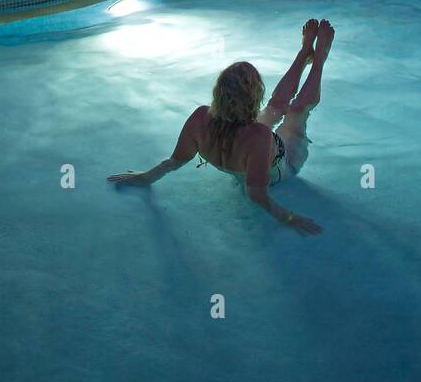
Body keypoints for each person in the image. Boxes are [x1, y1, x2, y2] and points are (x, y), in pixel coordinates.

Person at [108, 19, 334, 236]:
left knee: (275, 107)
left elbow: (174, 161)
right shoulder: (260, 136)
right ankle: (320, 59)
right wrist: (289, 218)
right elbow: (256, 194)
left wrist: (147, 177)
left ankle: (304, 52)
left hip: (243, 157)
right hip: (279, 170)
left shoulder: (200, 117)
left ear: (219, 92)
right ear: (254, 99)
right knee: (297, 111)